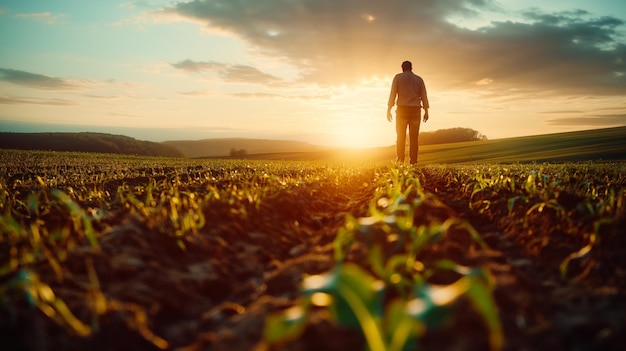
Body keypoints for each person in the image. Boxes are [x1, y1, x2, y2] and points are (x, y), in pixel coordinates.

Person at [387, 60, 429, 165]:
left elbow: (393, 94)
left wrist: (389, 109)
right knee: (414, 138)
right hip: (415, 110)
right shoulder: (419, 79)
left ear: (402, 68)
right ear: (411, 68)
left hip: (402, 109)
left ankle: (400, 161)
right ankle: (413, 162)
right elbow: (424, 95)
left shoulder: (397, 77)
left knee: (400, 136)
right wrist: (426, 111)